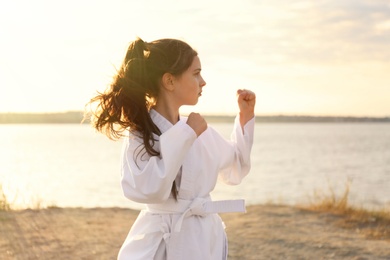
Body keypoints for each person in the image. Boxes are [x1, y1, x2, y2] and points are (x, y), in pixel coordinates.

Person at [87, 37, 256, 259]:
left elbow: (236, 166)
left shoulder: (198, 129)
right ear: (170, 81)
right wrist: (186, 135)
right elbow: (149, 189)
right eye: (196, 73)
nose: (203, 81)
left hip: (204, 240)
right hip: (160, 244)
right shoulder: (141, 134)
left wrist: (245, 116)